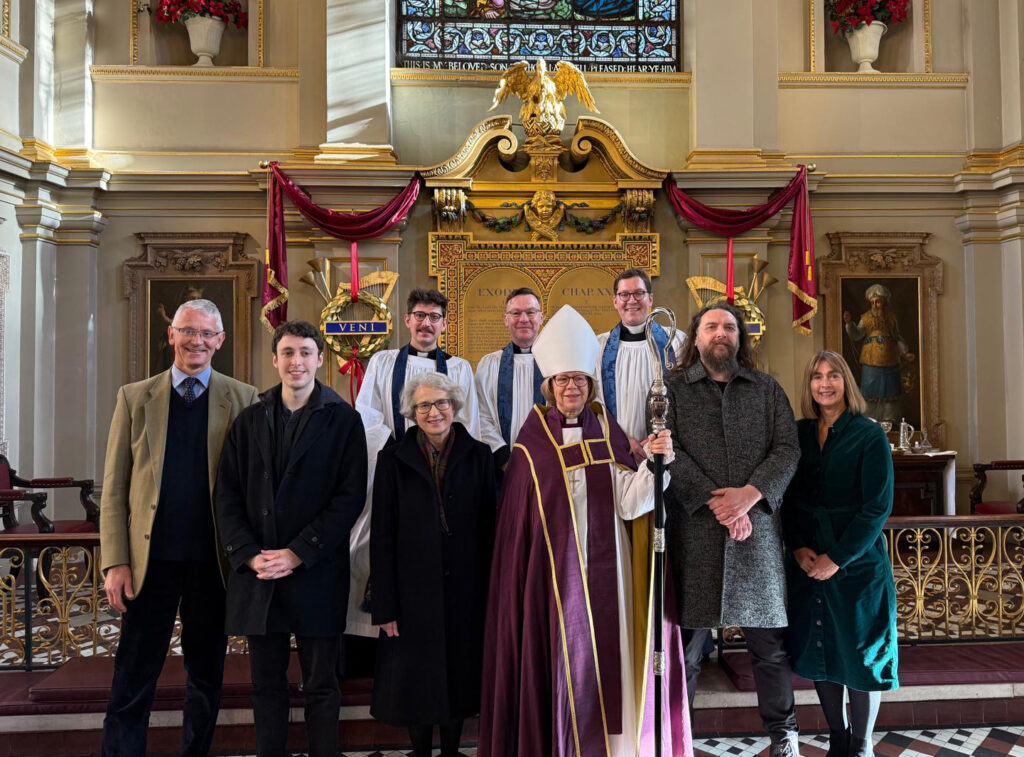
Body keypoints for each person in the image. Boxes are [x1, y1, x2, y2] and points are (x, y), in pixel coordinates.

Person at [480, 305, 691, 757]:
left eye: (579, 379)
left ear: (590, 385)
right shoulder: (531, 442)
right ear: (550, 387)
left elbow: (631, 501)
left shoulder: (608, 431)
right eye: (562, 380)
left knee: (612, 663)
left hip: (609, 573)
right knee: (561, 661)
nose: (571, 386)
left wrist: (658, 464)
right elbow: (522, 526)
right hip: (553, 583)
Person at [99, 299, 259, 757]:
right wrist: (115, 561)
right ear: (171, 334)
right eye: (189, 331)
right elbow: (114, 487)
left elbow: (253, 486)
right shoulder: (134, 397)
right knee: (133, 674)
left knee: (206, 674)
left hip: (213, 562)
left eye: (208, 334)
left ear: (220, 341)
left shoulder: (243, 397)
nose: (198, 341)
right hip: (150, 563)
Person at [214, 320, 368, 757]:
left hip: (316, 571)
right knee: (265, 685)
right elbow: (226, 493)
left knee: (321, 683)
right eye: (287, 352)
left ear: (321, 359)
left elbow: (348, 498)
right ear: (275, 359)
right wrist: (247, 555)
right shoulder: (249, 419)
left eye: (305, 352)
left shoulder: (344, 421)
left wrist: (299, 553)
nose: (296, 361)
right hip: (260, 571)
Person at [664, 302, 801, 757]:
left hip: (756, 531)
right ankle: (674, 735)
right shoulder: (671, 388)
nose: (720, 333)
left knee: (769, 648)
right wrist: (718, 502)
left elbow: (787, 449)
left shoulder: (766, 389)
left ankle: (784, 736)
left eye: (728, 326)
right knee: (687, 650)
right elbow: (668, 451)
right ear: (695, 337)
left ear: (740, 337)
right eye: (710, 326)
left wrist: (750, 495)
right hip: (697, 531)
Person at [370, 372, 497, 757]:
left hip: (465, 588)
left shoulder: (479, 456)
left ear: (455, 407)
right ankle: (421, 751)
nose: (433, 411)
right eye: (423, 405)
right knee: (415, 678)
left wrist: (492, 594)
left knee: (458, 674)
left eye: (441, 403)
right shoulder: (391, 459)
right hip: (411, 593)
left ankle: (453, 751)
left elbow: (491, 528)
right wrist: (385, 605)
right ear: (411, 412)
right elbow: (382, 535)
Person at [348, 288, 480, 644]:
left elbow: (468, 422)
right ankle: (370, 627)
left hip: (443, 473)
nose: (426, 323)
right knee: (370, 543)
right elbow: (368, 415)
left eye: (434, 317)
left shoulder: (459, 368)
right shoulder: (384, 362)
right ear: (407, 320)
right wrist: (400, 455)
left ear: (444, 324)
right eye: (419, 316)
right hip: (394, 470)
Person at [782, 351, 897, 757]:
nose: (825, 383)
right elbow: (789, 498)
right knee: (822, 648)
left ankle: (862, 744)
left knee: (860, 654)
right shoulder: (798, 433)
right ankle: (838, 737)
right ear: (809, 385)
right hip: (808, 561)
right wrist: (798, 548)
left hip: (857, 565)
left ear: (847, 382)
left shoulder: (868, 434)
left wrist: (837, 558)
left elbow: (876, 508)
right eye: (817, 376)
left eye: (833, 375)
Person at [596, 268, 686, 463]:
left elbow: (686, 399)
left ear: (651, 299)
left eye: (639, 293)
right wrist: (622, 440)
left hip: (667, 449)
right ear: (615, 301)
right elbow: (595, 403)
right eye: (624, 295)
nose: (631, 300)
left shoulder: (676, 341)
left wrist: (660, 439)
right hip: (617, 451)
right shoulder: (599, 347)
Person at [475, 287, 546, 469]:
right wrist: (503, 456)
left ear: (541, 317)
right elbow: (481, 415)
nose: (523, 319)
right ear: (506, 319)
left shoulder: (557, 363)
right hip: (502, 466)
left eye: (530, 312)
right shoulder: (489, 364)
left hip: (549, 465)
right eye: (516, 313)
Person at [843, 283, 915, 424]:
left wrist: (905, 353)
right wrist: (849, 324)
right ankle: (871, 420)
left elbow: (897, 337)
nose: (875, 305)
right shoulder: (866, 318)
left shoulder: (891, 317)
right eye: (873, 302)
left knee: (890, 391)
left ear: (884, 302)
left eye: (878, 302)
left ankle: (889, 420)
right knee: (870, 391)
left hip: (890, 359)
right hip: (871, 360)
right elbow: (857, 334)